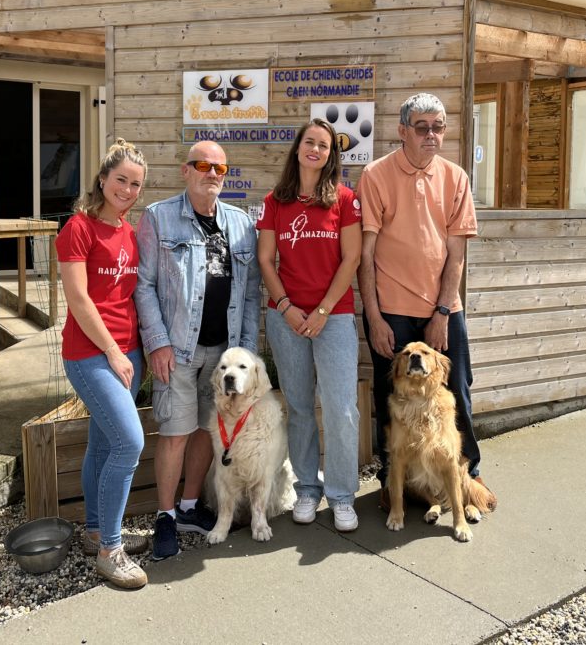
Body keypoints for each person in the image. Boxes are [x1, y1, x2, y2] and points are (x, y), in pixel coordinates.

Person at [357, 93, 496, 511]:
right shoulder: (376, 175)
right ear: (402, 131)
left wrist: (442, 311)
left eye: (438, 127)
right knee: (392, 396)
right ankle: (391, 480)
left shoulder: (456, 178)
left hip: (443, 307)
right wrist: (375, 318)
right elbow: (365, 257)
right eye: (422, 127)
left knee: (458, 389)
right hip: (391, 310)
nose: (432, 135)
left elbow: (457, 255)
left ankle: (466, 473)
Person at [135, 140, 262, 559]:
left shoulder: (241, 224)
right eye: (203, 165)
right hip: (178, 350)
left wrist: (244, 354)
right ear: (185, 171)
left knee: (209, 431)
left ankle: (190, 507)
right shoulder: (158, 217)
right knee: (174, 434)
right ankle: (167, 516)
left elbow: (248, 296)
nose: (212, 174)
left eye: (220, 169)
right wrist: (157, 343)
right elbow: (144, 286)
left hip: (223, 355)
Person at [256, 119, 363, 532]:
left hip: (332, 316)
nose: (315, 150)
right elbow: (266, 260)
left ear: (330, 155)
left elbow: (351, 258)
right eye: (309, 142)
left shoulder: (345, 199)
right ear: (298, 149)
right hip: (287, 318)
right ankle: (306, 488)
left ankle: (341, 495)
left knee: (340, 409)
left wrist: (321, 311)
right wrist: (286, 307)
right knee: (299, 408)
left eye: (323, 145)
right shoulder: (274, 201)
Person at [55, 139, 150, 590]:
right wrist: (112, 350)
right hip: (91, 354)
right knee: (129, 444)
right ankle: (111, 551)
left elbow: (130, 295)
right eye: (121, 180)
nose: (128, 190)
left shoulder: (130, 232)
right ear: (102, 179)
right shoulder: (78, 227)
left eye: (135, 184)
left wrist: (135, 351)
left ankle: (95, 531)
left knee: (103, 443)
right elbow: (78, 298)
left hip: (129, 353)